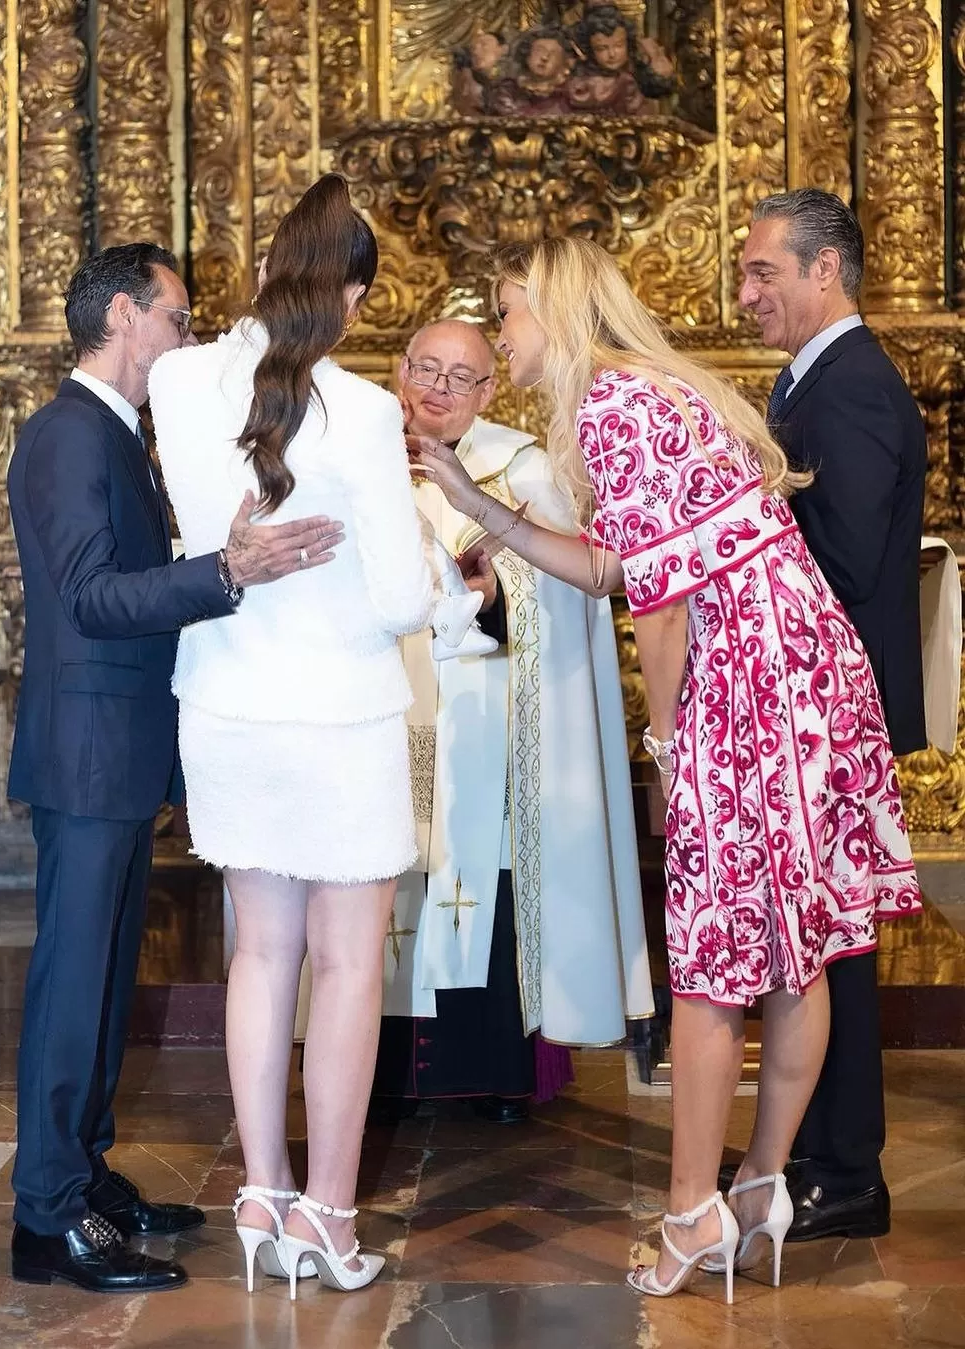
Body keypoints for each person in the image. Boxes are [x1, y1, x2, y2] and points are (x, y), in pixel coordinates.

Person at [412, 235, 922, 1303]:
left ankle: (693, 1209)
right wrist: (483, 501)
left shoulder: (613, 406)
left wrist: (665, 743)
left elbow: (660, 603)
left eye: (507, 317)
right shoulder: (646, 391)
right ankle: (759, 1191)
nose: (501, 343)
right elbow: (612, 562)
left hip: (751, 690)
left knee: (711, 959)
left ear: (551, 310)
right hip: (803, 676)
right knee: (799, 950)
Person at [7, 244, 342, 1293]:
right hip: (87, 750)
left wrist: (219, 559)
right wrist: (225, 572)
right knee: (72, 982)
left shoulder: (115, 436)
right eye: (178, 316)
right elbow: (93, 599)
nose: (188, 337)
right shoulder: (67, 435)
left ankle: (85, 1173)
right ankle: (44, 1212)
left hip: (119, 747)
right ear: (124, 314)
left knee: (105, 980)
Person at [148, 174, 434, 1299]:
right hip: (339, 715)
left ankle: (262, 1187)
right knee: (350, 962)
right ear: (353, 295)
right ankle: (329, 1212)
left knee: (260, 952)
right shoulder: (361, 411)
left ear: (269, 267)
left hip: (225, 704)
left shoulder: (176, 375)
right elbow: (407, 601)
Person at [371, 319, 654, 1124]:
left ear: (490, 391)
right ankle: (376, 1068)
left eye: (462, 377)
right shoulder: (359, 459)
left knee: (473, 881)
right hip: (384, 714)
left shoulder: (516, 468)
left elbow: (564, 600)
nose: (438, 387)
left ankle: (488, 1068)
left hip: (479, 727)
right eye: (425, 367)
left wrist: (496, 597)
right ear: (400, 369)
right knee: (384, 874)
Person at [739, 187, 928, 1242]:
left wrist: (741, 523)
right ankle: (818, 1144)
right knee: (814, 938)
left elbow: (845, 563)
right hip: (818, 713)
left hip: (833, 716)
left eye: (767, 270)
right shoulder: (812, 378)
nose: (748, 288)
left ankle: (844, 1167)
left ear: (827, 271)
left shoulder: (849, 388)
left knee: (833, 944)